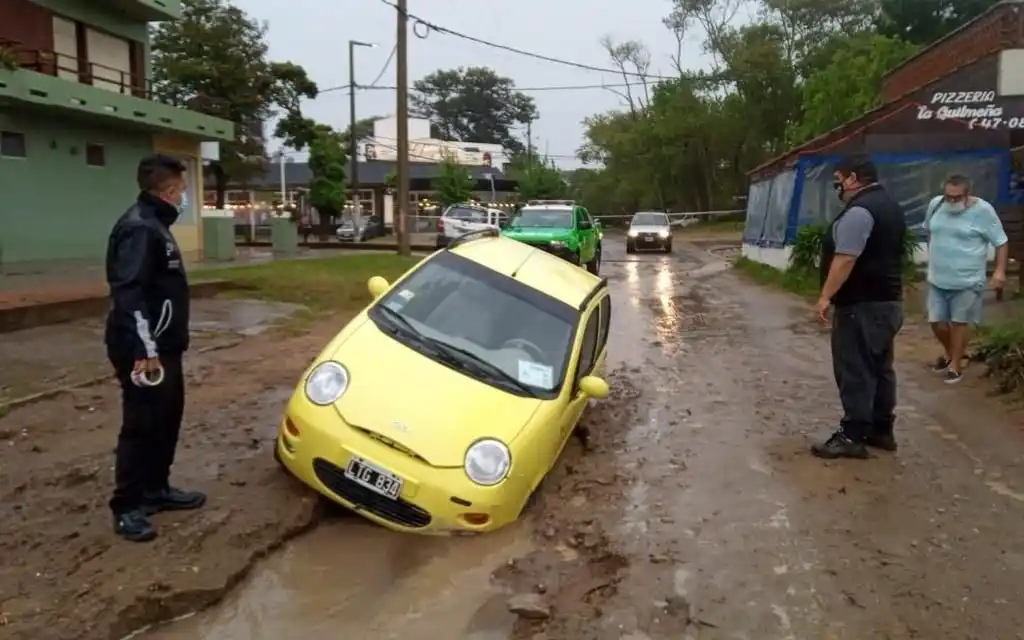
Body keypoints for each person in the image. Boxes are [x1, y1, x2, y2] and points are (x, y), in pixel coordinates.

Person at [105, 154, 206, 542]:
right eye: (181, 190)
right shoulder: (139, 228)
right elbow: (129, 294)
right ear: (167, 190)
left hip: (165, 346)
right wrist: (145, 350)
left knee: (167, 417)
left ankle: (155, 489)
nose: (184, 197)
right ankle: (128, 505)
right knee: (142, 423)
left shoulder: (156, 226)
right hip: (143, 349)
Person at [812, 155, 906, 460]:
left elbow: (846, 258)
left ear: (853, 178)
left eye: (838, 178)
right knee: (880, 368)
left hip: (860, 305)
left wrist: (825, 296)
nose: (837, 185)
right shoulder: (890, 206)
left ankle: (852, 434)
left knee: (854, 368)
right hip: (888, 302)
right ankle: (881, 429)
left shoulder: (859, 211)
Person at [924, 174, 1009, 384]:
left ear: (967, 194)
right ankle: (954, 354)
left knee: (959, 323)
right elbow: (930, 231)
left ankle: (955, 366)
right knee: (936, 322)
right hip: (937, 277)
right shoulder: (935, 205)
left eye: (956, 197)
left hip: (967, 280)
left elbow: (1001, 241)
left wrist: (1000, 271)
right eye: (948, 196)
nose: (951, 201)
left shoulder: (983, 211)